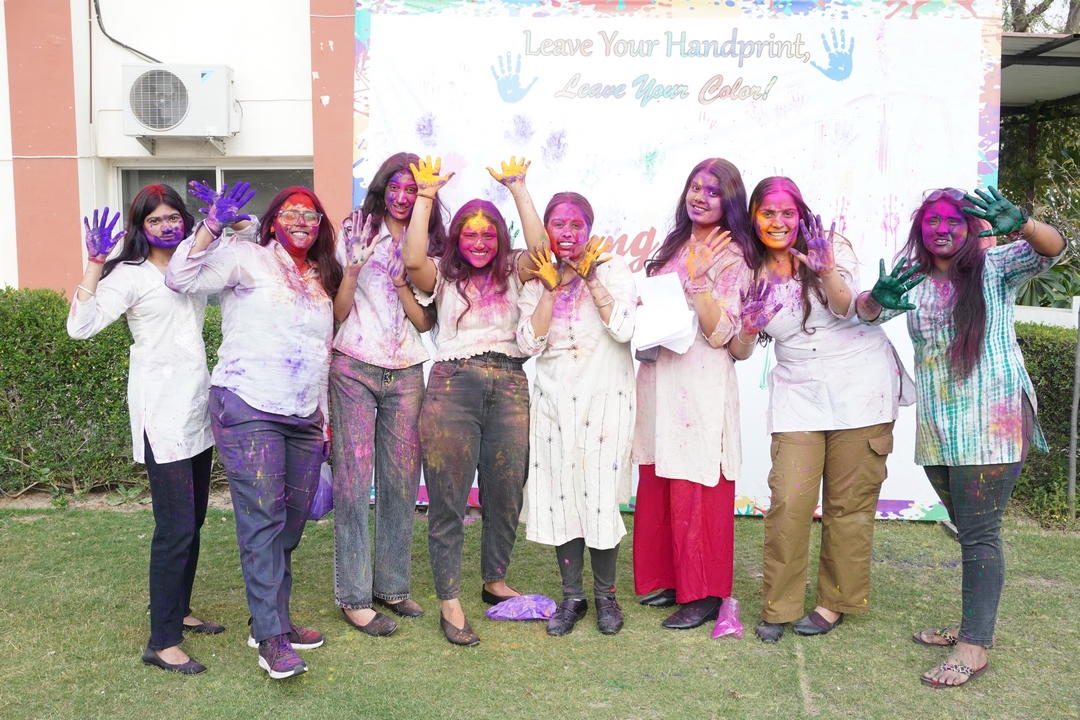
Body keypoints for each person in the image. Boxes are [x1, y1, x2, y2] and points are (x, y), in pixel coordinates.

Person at [861, 186, 1064, 688]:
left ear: (971, 227)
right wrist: (873, 300)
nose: (942, 229)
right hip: (940, 428)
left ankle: (973, 647)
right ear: (920, 227)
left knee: (979, 534)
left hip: (993, 422)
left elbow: (1054, 249)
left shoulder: (996, 267)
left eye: (954, 220)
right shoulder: (913, 277)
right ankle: (973, 625)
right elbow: (868, 314)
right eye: (933, 220)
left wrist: (1025, 224)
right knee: (970, 530)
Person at [166, 183, 341, 680]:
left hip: (303, 415)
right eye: (291, 212)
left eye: (311, 214)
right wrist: (212, 225)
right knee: (263, 521)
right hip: (249, 405)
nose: (302, 221)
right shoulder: (246, 256)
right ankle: (271, 639)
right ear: (273, 220)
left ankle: (273, 618)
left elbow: (320, 353)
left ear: (320, 226)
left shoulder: (319, 278)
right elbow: (180, 277)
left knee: (291, 523)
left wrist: (324, 417)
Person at [728, 177, 911, 644]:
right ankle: (779, 604)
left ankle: (833, 603)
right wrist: (747, 328)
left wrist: (826, 270)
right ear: (753, 216)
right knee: (789, 502)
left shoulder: (830, 247)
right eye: (767, 213)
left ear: (800, 214)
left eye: (787, 213)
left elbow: (850, 307)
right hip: (798, 394)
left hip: (862, 388)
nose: (778, 222)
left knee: (848, 506)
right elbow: (740, 350)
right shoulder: (746, 269)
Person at [67, 185, 228, 675]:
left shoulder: (192, 261)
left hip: (196, 405)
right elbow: (81, 327)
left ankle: (180, 610)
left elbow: (242, 244)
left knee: (194, 521)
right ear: (141, 227)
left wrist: (222, 220)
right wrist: (96, 262)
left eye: (173, 217)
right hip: (160, 411)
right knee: (174, 527)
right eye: (155, 220)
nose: (166, 226)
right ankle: (162, 642)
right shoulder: (130, 275)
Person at [402, 156, 546, 646]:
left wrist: (519, 188)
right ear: (457, 238)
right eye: (469, 234)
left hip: (509, 383)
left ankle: (494, 581)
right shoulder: (442, 273)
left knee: (506, 492)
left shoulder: (514, 269)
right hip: (453, 385)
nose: (479, 242)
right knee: (448, 498)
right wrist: (425, 196)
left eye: (488, 234)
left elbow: (542, 251)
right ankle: (449, 600)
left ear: (500, 238)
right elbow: (412, 260)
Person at [508, 167, 637, 637]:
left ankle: (606, 598)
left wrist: (591, 280)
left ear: (590, 228)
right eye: (558, 224)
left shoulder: (613, 269)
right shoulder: (536, 279)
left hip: (605, 401)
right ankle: (573, 598)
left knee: (599, 497)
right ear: (547, 230)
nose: (567, 232)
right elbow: (528, 344)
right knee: (561, 498)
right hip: (553, 403)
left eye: (576, 224)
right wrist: (550, 288)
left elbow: (624, 329)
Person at [631, 158, 754, 630]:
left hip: (700, 384)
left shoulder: (734, 255)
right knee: (662, 476)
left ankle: (704, 593)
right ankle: (672, 580)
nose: (700, 197)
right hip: (661, 378)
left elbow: (722, 333)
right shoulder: (675, 244)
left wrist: (699, 281)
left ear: (730, 200)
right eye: (695, 187)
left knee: (698, 485)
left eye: (712, 191)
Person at [330, 153, 445, 638]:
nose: (401, 196)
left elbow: (427, 320)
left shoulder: (431, 241)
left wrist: (401, 280)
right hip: (354, 365)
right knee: (353, 487)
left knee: (401, 486)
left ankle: (393, 586)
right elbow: (337, 310)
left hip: (407, 372)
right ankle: (354, 597)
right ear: (382, 187)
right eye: (395, 186)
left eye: (412, 189)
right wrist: (355, 268)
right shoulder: (357, 228)